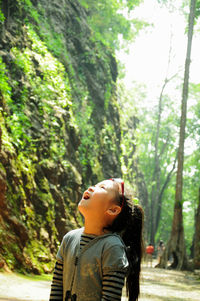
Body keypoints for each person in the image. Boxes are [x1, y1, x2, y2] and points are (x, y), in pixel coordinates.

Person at [49, 178, 144, 301]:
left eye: (102, 187)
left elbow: (111, 297)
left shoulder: (112, 247)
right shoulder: (69, 239)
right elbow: (57, 286)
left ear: (113, 210)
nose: (90, 187)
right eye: (94, 184)